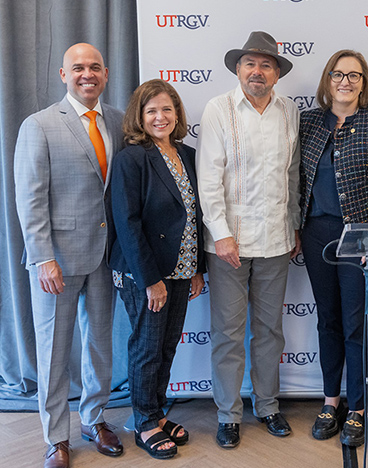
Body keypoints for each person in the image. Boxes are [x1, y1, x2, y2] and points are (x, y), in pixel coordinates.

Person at [14, 43, 125, 468]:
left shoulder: (117, 121)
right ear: (63, 75)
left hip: (103, 257)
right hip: (55, 262)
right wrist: (43, 257)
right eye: (78, 68)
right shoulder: (38, 125)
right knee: (54, 351)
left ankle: (94, 419)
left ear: (106, 73)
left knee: (100, 345)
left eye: (94, 67)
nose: (87, 74)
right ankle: (56, 438)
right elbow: (31, 199)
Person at [196, 31, 301, 449]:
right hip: (229, 246)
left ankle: (268, 406)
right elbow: (209, 178)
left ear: (277, 73)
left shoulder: (289, 111)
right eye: (250, 64)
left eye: (266, 65)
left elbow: (291, 175)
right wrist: (220, 234)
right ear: (238, 69)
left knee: (270, 331)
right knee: (227, 332)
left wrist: (293, 226)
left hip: (276, 241)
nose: (257, 71)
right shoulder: (218, 109)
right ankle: (228, 414)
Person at [299, 50, 368, 446]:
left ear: (364, 82)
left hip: (358, 236)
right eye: (338, 75)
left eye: (354, 76)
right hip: (315, 233)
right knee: (328, 320)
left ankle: (358, 408)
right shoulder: (308, 121)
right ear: (327, 80)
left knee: (356, 321)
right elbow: (296, 178)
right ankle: (331, 401)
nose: (345, 81)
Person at [107, 79, 206, 459]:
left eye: (167, 109)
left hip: (181, 268)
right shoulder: (131, 158)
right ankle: (144, 421)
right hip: (143, 272)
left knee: (166, 346)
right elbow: (127, 223)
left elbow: (194, 217)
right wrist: (151, 281)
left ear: (177, 113)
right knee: (147, 347)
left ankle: (156, 410)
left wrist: (196, 268)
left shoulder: (188, 154)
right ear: (140, 116)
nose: (160, 117)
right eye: (152, 111)